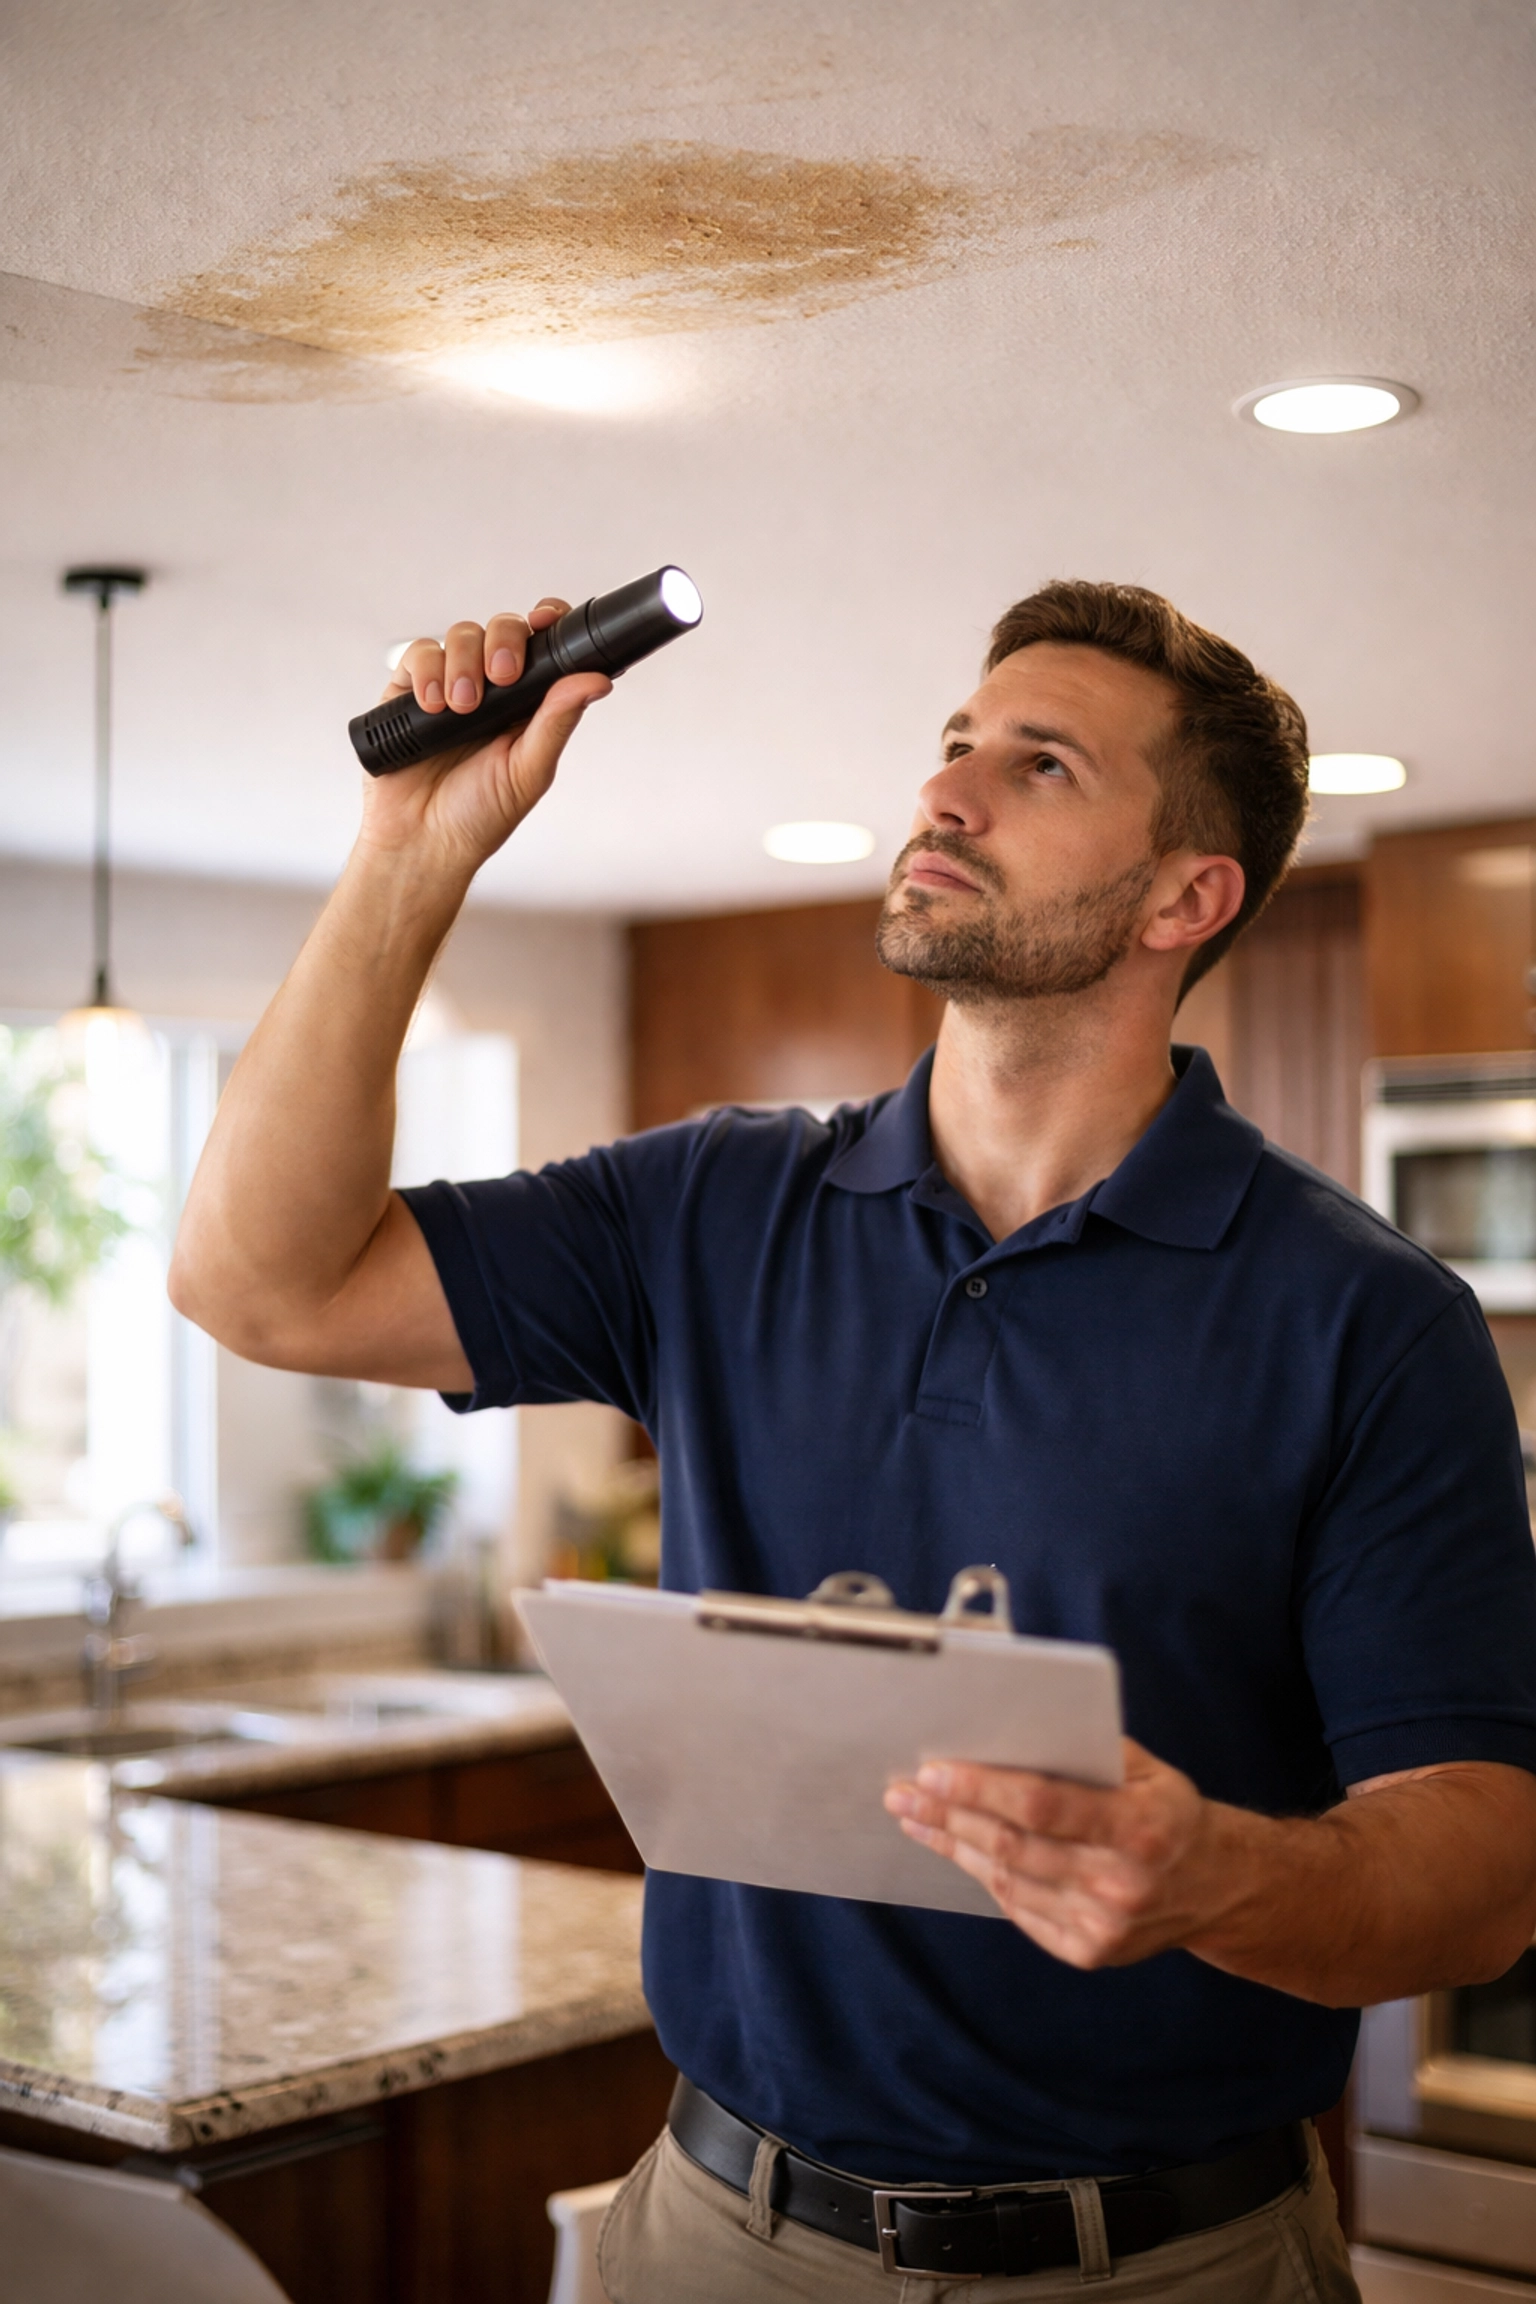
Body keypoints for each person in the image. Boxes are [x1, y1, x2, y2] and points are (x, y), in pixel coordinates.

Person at [171, 579, 1536, 2302]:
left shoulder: (1365, 1319)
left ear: (1189, 897)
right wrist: (410, 853)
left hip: (1162, 2263)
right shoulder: (714, 1209)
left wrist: (1215, 1879)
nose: (945, 793)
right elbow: (258, 1284)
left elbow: (1482, 1869)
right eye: (955, 747)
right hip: (712, 2233)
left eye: (1039, 767)